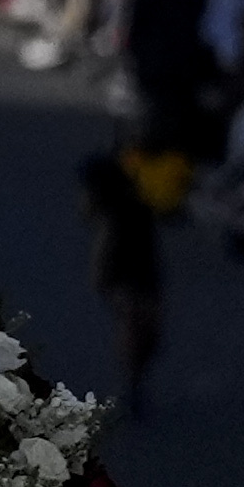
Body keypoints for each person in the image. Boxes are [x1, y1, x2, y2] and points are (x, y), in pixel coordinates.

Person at [75, 145, 163, 422]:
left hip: (138, 271)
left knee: (142, 330)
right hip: (128, 275)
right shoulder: (119, 209)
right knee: (136, 325)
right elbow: (105, 244)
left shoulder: (128, 208)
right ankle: (133, 385)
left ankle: (134, 383)